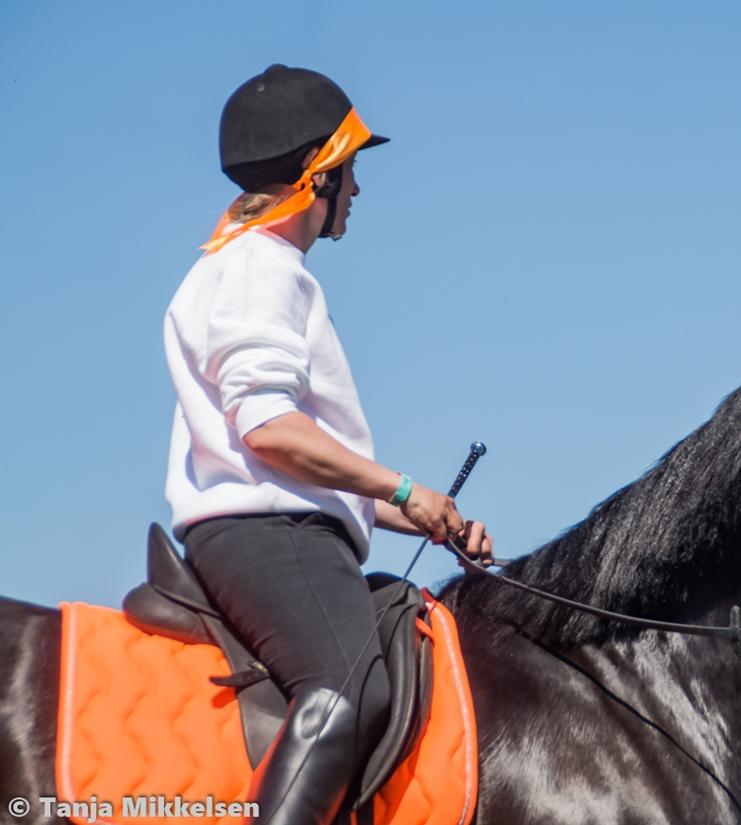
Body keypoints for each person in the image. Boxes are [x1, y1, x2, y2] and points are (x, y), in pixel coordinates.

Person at [163, 64, 493, 825]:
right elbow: (270, 430)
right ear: (319, 176)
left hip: (288, 530)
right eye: (350, 172)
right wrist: (405, 488)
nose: (358, 192)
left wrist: (428, 515)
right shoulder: (261, 269)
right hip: (270, 538)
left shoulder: (251, 267)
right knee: (349, 687)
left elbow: (314, 469)